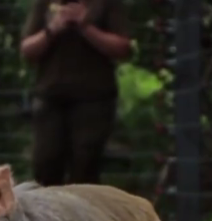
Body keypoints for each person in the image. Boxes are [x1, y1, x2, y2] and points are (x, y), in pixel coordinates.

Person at [20, 0, 132, 186]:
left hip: (94, 99)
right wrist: (52, 29)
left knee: (85, 169)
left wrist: (85, 26)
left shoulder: (106, 3)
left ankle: (81, 205)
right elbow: (27, 50)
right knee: (45, 165)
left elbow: (123, 48)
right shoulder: (45, 3)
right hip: (50, 98)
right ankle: (49, 205)